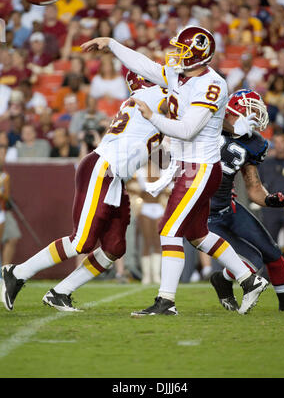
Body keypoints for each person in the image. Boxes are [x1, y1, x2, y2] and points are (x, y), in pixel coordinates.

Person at [80, 27, 269, 317]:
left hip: (201, 168)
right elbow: (146, 66)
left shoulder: (212, 84)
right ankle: (249, 278)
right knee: (198, 234)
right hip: (191, 167)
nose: (176, 54)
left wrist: (151, 116)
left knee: (169, 230)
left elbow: (187, 130)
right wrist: (111, 44)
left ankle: (166, 301)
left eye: (183, 50)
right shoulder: (182, 74)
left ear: (198, 54)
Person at [0, 72, 168, 312]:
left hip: (114, 176)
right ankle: (17, 273)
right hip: (102, 169)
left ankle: (61, 292)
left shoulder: (142, 100)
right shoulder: (152, 97)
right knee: (82, 241)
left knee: (114, 247)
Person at [208, 89, 284, 312]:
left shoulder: (254, 143)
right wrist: (231, 128)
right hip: (204, 215)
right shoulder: (209, 125)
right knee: (251, 262)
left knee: (272, 252)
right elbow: (203, 119)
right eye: (252, 109)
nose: (258, 116)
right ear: (237, 110)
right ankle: (221, 280)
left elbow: (254, 187)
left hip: (228, 208)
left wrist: (269, 200)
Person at [258, 132, 284, 282]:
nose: (280, 145)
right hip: (271, 206)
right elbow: (259, 185)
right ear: (274, 144)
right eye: (277, 142)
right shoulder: (266, 163)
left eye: (282, 141)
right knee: (269, 241)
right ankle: (267, 275)